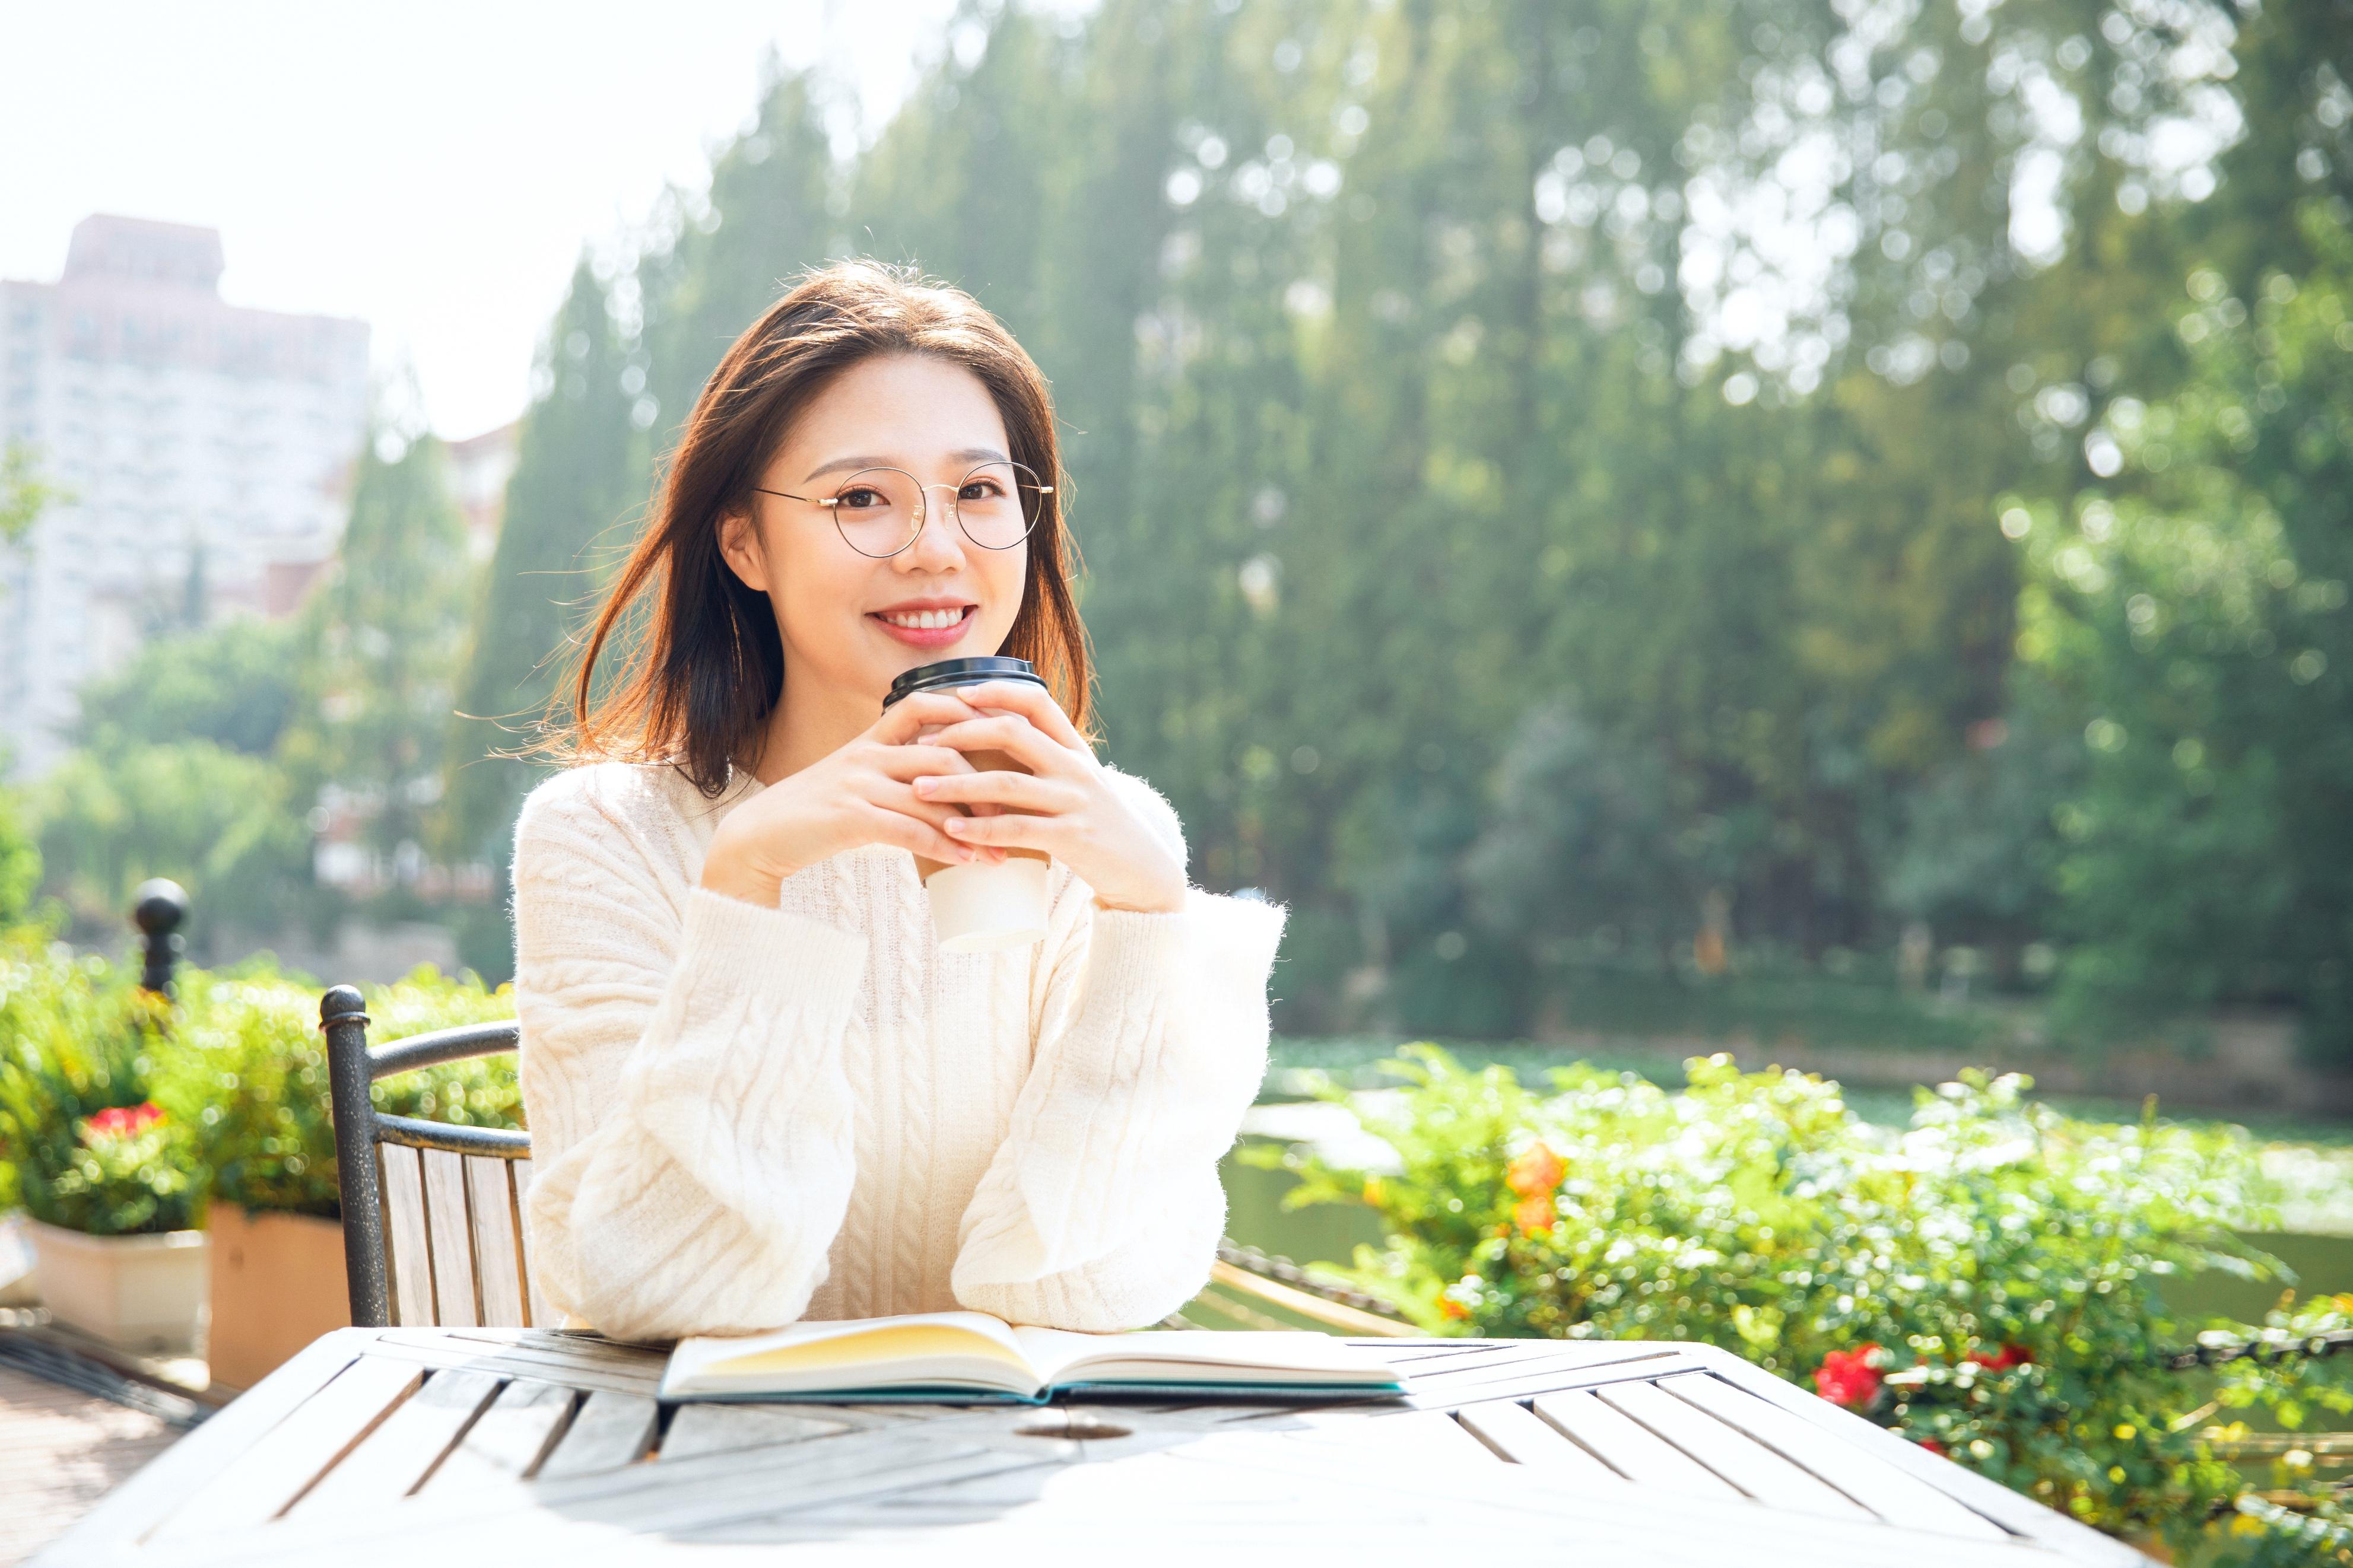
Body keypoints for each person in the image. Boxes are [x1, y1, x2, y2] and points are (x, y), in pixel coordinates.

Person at [510, 262, 1285, 1342]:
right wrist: (748, 883)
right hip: (698, 1482)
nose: (933, 549)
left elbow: (1081, 1296)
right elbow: (657, 1293)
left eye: (977, 492)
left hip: (1015, 1479)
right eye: (859, 498)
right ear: (744, 544)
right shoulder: (603, 839)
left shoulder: (1109, 847)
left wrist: (1152, 924)